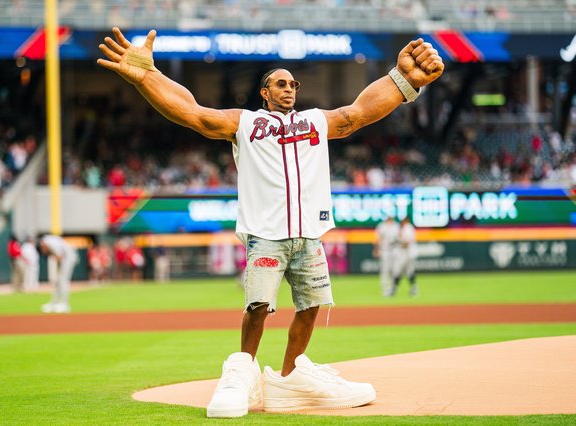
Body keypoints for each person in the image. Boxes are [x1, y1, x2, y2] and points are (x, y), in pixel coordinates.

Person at [98, 27, 443, 417]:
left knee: (312, 306)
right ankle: (243, 371)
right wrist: (148, 77)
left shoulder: (313, 121)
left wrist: (402, 81)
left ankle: (291, 376)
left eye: (293, 83)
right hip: (266, 236)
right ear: (264, 92)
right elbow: (193, 113)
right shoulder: (245, 123)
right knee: (258, 306)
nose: (289, 88)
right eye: (280, 83)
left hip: (309, 235)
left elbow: (356, 114)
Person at [39, 234, 78, 313]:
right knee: (58, 281)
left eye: (42, 248)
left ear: (43, 244)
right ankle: (54, 303)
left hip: (68, 258)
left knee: (63, 280)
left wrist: (58, 270)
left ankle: (65, 304)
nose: (43, 250)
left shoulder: (51, 243)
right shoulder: (48, 240)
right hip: (65, 258)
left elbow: (59, 257)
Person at [390, 217, 418, 297]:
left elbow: (407, 243)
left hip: (407, 253)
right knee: (409, 271)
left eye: (403, 220)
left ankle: (393, 290)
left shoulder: (408, 227)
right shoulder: (405, 228)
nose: (401, 222)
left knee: (397, 269)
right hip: (406, 253)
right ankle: (414, 289)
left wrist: (398, 242)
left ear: (406, 220)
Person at [373, 215, 400, 297]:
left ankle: (392, 289)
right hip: (385, 250)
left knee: (395, 269)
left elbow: (400, 237)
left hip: (395, 249)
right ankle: (385, 288)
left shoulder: (396, 226)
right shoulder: (382, 226)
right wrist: (376, 249)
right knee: (385, 270)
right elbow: (377, 238)